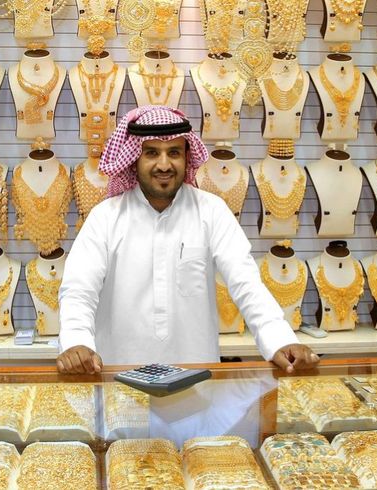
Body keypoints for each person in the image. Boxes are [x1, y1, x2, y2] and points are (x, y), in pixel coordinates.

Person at [57, 106, 319, 374]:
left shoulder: (211, 211)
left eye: (174, 153)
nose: (164, 164)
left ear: (187, 157)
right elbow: (79, 289)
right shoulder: (106, 217)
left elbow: (246, 282)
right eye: (151, 153)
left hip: (196, 387)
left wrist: (281, 340)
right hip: (122, 385)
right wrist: (76, 342)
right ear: (134, 158)